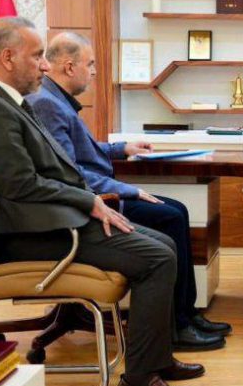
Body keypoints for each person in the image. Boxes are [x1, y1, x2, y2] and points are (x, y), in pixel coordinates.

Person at [0, 17, 204, 386]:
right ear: (8, 58)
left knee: (164, 243)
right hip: (28, 233)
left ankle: (155, 359)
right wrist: (88, 201)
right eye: (37, 56)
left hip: (49, 220)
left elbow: (50, 170)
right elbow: (20, 186)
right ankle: (138, 382)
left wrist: (88, 198)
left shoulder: (6, 103)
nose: (44, 65)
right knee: (157, 257)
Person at [27, 32, 230, 352]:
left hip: (99, 194)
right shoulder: (47, 104)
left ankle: (186, 314)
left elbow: (81, 151)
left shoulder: (56, 100)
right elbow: (71, 173)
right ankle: (177, 324)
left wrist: (122, 148)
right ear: (69, 66)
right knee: (170, 216)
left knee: (177, 211)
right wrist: (128, 191)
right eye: (90, 64)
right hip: (92, 203)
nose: (94, 71)